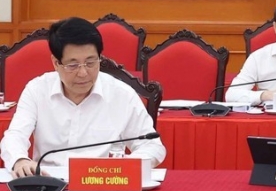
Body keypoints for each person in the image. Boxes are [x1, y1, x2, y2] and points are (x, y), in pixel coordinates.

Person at [0, 17, 166, 178]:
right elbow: (15, 136)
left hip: (102, 182)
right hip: (48, 183)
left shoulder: (121, 94)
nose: (83, 73)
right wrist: (20, 160)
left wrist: (125, 166)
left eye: (90, 62)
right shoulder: (37, 90)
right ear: (56, 63)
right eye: (73, 65)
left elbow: (152, 146)